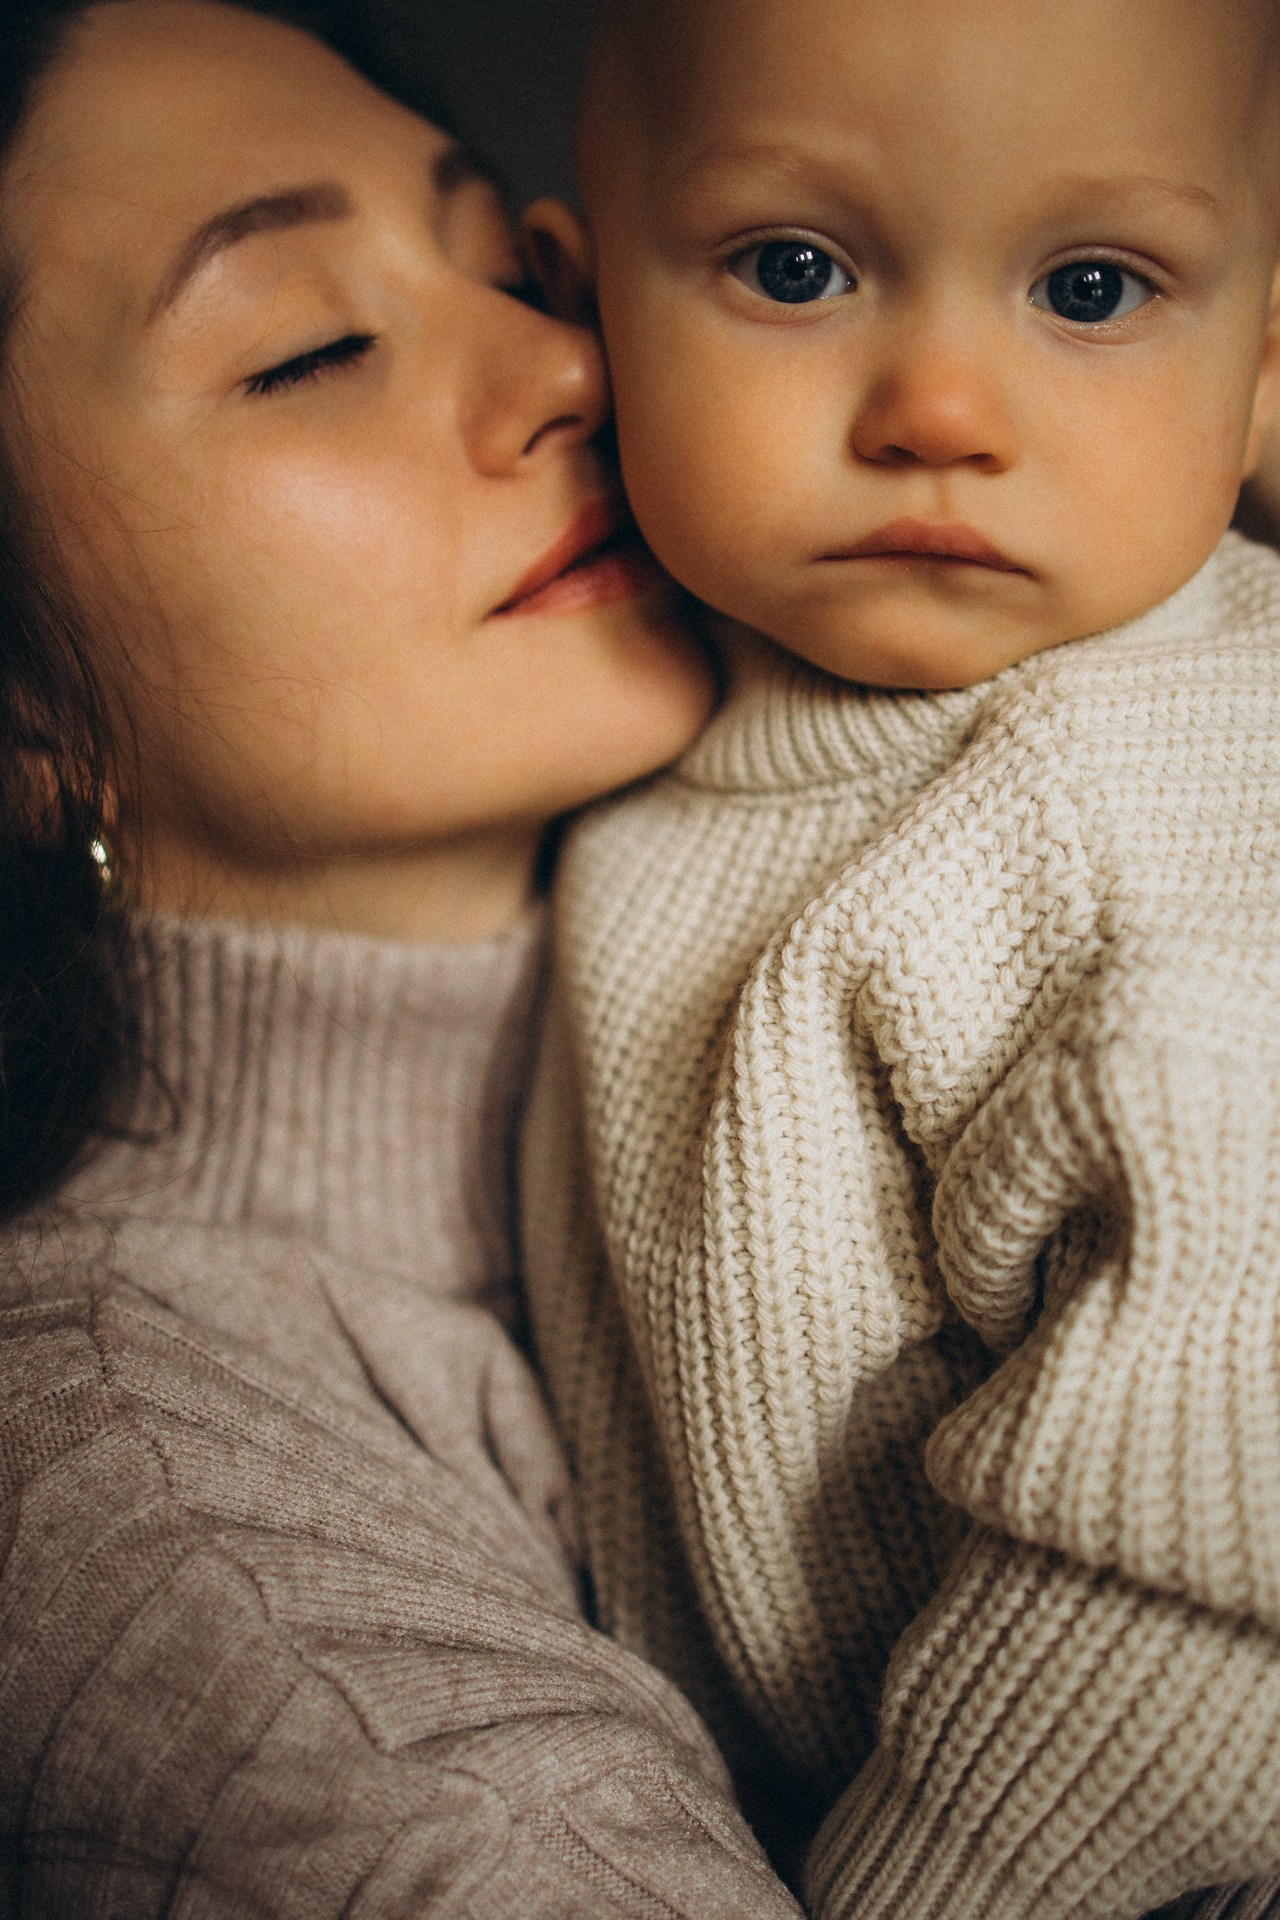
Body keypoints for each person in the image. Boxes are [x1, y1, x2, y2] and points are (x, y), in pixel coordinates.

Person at [0, 1, 808, 1913]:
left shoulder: (864, 968)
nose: (563, 359)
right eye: (313, 348)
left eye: (513, 261)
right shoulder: (155, 1521)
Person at [519, 0, 1280, 1913]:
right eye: (797, 266)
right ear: (587, 303)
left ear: (1261, 369)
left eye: (1093, 287)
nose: (942, 403)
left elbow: (1208, 1553)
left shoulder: (1166, 794)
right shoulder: (636, 740)